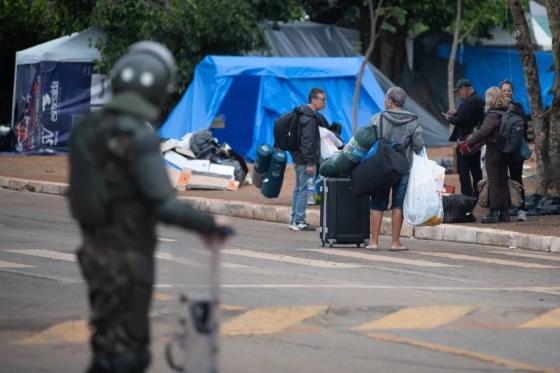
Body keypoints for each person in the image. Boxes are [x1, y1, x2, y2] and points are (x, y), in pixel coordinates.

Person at [68, 41, 233, 372]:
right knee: (129, 354)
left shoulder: (87, 129)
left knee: (106, 343)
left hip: (95, 253)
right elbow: (165, 205)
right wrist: (210, 226)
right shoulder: (139, 137)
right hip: (129, 258)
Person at [367, 87, 424, 250]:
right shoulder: (413, 121)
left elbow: (370, 139)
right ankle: (395, 242)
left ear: (390, 102)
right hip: (403, 167)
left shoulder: (379, 118)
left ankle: (374, 241)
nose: (385, 102)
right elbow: (419, 146)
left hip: (382, 167)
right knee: (398, 204)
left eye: (386, 99)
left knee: (377, 203)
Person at [461, 87, 511, 223]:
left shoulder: (493, 114)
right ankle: (505, 213)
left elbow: (483, 132)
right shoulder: (506, 112)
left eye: (487, 96)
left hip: (493, 151)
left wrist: (467, 143)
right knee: (503, 182)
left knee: (494, 183)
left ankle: (494, 213)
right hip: (505, 151)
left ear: (491, 98)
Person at [288, 87, 325, 231]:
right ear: (314, 100)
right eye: (322, 99)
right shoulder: (309, 118)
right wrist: (310, 162)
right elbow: (308, 142)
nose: (324, 103)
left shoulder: (302, 114)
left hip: (298, 158)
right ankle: (299, 220)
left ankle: (294, 219)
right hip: (306, 161)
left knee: (298, 188)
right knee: (304, 189)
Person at [447, 79, 485, 198]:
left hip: (465, 141)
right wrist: (457, 112)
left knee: (463, 170)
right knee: (476, 169)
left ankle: (467, 195)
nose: (459, 94)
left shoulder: (470, 101)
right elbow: (466, 116)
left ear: (465, 89)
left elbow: (461, 121)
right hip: (476, 140)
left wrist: (450, 118)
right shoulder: (479, 99)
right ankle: (479, 193)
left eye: (459, 91)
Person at [499, 79, 528, 222]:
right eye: (504, 90)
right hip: (501, 151)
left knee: (517, 179)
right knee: (502, 179)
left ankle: (521, 209)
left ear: (512, 92)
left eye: (509, 90)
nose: (506, 93)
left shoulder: (518, 106)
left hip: (516, 152)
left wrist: (516, 113)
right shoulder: (497, 108)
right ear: (500, 92)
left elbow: (525, 125)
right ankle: (505, 209)